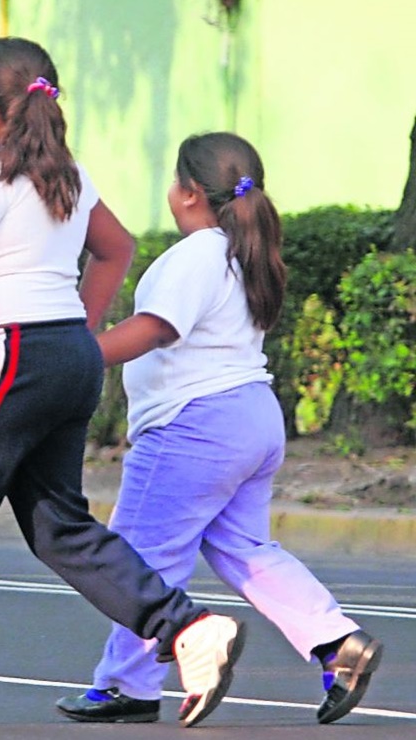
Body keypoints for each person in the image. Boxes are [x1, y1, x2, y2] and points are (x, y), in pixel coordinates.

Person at [0, 37, 246, 729]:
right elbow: (114, 248)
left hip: (10, 359)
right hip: (64, 355)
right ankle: (185, 629)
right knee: (57, 526)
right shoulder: (66, 175)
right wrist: (75, 328)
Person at [55, 131, 383, 726]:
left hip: (194, 425)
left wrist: (78, 356)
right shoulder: (243, 253)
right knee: (244, 547)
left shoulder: (197, 254)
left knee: (139, 554)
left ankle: (128, 684)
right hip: (251, 416)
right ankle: (337, 643)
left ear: (186, 193)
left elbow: (157, 328)